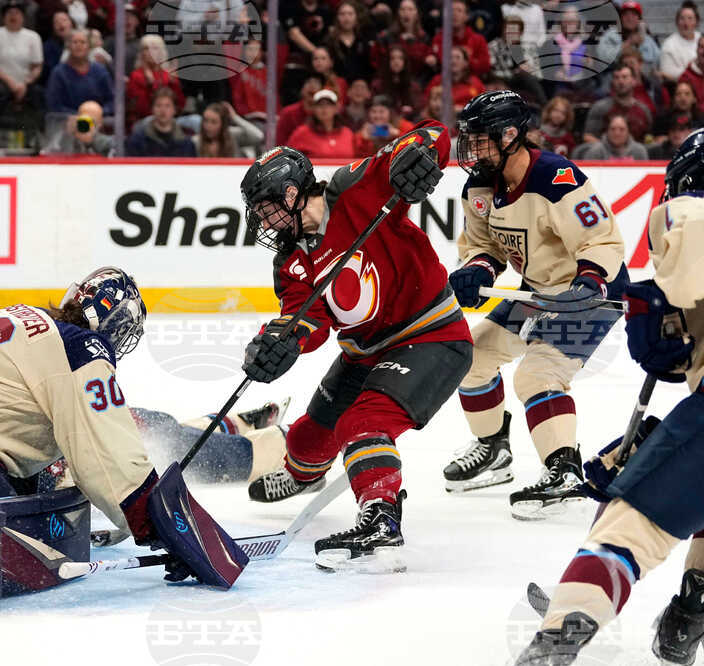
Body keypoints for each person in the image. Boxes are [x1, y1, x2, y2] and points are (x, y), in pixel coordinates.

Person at [0, 268, 248, 605]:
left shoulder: (28, 316)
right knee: (21, 544)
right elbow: (108, 460)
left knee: (36, 494)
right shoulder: (82, 350)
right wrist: (161, 527)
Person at [238, 124, 472, 570]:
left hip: (431, 336)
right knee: (308, 437)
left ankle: (381, 516)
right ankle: (301, 476)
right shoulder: (289, 261)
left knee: (361, 424)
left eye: (266, 210)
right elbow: (308, 318)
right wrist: (282, 342)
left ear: (291, 193)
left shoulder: (355, 188)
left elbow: (435, 134)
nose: (263, 223)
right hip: (364, 352)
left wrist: (419, 153)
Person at [514, 129, 704, 666]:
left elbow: (671, 330)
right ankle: (694, 607)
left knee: (628, 527)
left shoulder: (688, 213)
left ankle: (558, 636)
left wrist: (657, 311)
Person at [442, 91, 628, 519]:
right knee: (470, 357)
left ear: (510, 135)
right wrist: (479, 270)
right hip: (539, 290)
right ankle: (493, 450)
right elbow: (485, 247)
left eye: (480, 138)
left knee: (538, 374)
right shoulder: (480, 187)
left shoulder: (556, 177)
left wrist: (589, 283)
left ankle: (564, 471)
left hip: (592, 294)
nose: (471, 148)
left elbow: (601, 239)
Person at [0, 1, 45, 125]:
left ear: (23, 17)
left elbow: (37, 67)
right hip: (0, 81)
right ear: (4, 17)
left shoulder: (33, 37)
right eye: (9, 13)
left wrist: (25, 83)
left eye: (17, 13)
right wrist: (11, 83)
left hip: (25, 82)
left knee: (39, 94)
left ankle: (37, 134)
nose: (13, 16)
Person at [45, 28, 114, 115]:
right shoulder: (58, 73)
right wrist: (79, 116)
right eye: (75, 42)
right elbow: (54, 105)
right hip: (67, 121)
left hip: (98, 120)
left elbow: (111, 101)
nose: (79, 45)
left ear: (89, 47)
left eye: (82, 42)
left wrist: (100, 112)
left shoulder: (100, 71)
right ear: (68, 46)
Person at [125, 34, 184, 129]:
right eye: (146, 49)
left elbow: (180, 105)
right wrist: (151, 85)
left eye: (155, 48)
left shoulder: (168, 75)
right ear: (142, 53)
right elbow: (141, 109)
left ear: (161, 52)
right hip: (146, 120)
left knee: (195, 120)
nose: (150, 52)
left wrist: (174, 84)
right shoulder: (136, 76)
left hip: (171, 119)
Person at [582, 65, 653, 144]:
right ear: (612, 81)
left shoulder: (644, 110)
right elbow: (588, 137)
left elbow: (649, 138)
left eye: (624, 77)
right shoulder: (600, 107)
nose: (620, 81)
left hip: (636, 154)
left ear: (634, 81)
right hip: (606, 154)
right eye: (616, 77)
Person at [371, 0, 434, 83]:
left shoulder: (424, 38)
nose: (406, 13)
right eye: (402, 9)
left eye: (410, 9)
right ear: (398, 14)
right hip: (389, 83)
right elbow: (377, 63)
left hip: (416, 84)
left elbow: (426, 69)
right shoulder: (386, 37)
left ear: (416, 14)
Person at [124, 86, 195, 157]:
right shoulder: (137, 141)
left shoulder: (186, 144)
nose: (163, 110)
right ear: (152, 109)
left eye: (167, 106)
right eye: (158, 105)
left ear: (174, 110)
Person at [286, 88, 355, 159]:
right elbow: (288, 158)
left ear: (336, 108)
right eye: (320, 104)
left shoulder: (347, 133)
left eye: (329, 104)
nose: (324, 108)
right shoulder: (302, 133)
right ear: (313, 109)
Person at [596, 0, 660, 73]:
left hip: (641, 78)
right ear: (621, 18)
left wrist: (641, 44)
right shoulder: (610, 35)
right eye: (626, 14)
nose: (629, 18)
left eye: (633, 14)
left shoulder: (646, 39)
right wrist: (628, 43)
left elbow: (656, 61)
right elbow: (603, 58)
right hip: (613, 76)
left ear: (639, 19)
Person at [431, 0, 490, 78]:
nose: (454, 14)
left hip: (472, 83)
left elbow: (485, 67)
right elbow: (440, 64)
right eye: (451, 10)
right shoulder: (439, 39)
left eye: (459, 10)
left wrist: (467, 59)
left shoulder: (478, 40)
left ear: (467, 16)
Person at [43, 99, 113, 156]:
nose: (88, 124)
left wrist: (92, 140)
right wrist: (68, 134)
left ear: (100, 123)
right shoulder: (71, 135)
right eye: (85, 120)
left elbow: (113, 149)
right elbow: (52, 153)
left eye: (92, 121)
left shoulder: (106, 141)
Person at [193, 101, 263, 158]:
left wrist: (234, 117)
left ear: (223, 124)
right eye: (205, 120)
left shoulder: (233, 135)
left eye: (214, 122)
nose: (208, 126)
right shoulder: (196, 141)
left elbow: (259, 136)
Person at [425, 46, 485, 110]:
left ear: (466, 63)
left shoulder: (475, 83)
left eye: (458, 58)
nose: (453, 61)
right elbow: (427, 105)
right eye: (450, 58)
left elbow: (483, 105)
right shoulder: (437, 81)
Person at [370, 46, 422, 120]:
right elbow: (374, 107)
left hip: (409, 122)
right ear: (388, 61)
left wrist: (411, 110)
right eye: (392, 58)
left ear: (405, 61)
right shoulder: (378, 85)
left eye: (400, 58)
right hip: (384, 122)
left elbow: (418, 107)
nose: (396, 61)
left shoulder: (413, 86)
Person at [327, 1, 370, 83]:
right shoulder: (330, 41)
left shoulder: (363, 40)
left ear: (356, 17)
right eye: (342, 14)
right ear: (337, 17)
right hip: (336, 85)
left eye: (350, 14)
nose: (346, 18)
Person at [276, 73, 324, 146]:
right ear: (301, 90)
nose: (312, 86)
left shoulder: (327, 114)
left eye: (316, 82)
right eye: (308, 82)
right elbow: (280, 144)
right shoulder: (288, 113)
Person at [660, 1, 702, 84]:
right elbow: (668, 73)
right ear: (677, 22)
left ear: (696, 22)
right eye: (682, 18)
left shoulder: (701, 38)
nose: (686, 23)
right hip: (681, 88)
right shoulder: (668, 45)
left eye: (690, 18)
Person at [583, 113, 650, 161]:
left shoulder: (639, 151)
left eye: (622, 129)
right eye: (613, 129)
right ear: (607, 131)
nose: (617, 133)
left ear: (628, 132)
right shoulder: (595, 151)